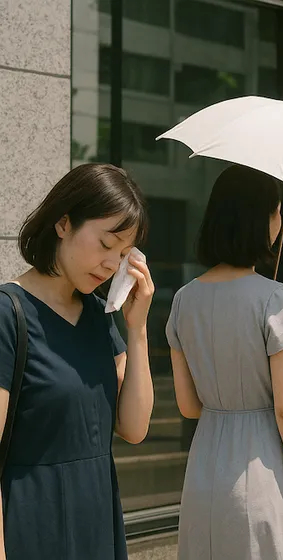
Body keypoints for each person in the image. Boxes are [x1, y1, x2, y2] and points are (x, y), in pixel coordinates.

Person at [165, 165, 283, 560]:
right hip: (260, 470)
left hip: (204, 467)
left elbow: (190, 407)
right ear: (261, 219)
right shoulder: (276, 298)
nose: (280, 220)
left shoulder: (183, 300)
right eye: (277, 211)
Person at [0, 163, 155, 559]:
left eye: (122, 254)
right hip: (31, 526)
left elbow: (134, 428)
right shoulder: (8, 313)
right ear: (64, 223)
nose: (110, 264)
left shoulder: (99, 317)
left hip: (97, 523)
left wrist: (137, 329)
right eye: (106, 245)